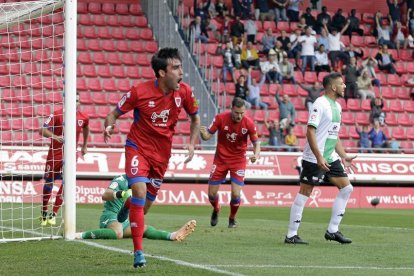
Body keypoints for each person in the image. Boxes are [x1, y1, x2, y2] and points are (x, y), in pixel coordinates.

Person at [104, 48, 200, 268]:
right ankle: (138, 253)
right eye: (175, 68)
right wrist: (109, 126)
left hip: (162, 156)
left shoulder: (184, 92)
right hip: (137, 148)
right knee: (139, 189)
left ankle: (128, 204)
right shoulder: (139, 92)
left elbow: (195, 119)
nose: (181, 72)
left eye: (181, 67)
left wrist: (192, 143)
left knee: (144, 207)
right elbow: (113, 114)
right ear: (161, 73)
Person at [285, 72, 356, 245]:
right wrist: (318, 157)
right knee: (305, 193)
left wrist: (344, 155)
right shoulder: (320, 103)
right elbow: (310, 130)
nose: (344, 86)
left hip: (330, 157)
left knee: (347, 189)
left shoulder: (337, 107)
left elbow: (334, 135)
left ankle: (332, 231)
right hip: (314, 157)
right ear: (333, 87)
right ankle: (291, 235)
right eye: (341, 83)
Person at [75, 174, 196, 241]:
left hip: (125, 220)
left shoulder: (142, 184)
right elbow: (105, 195)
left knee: (145, 229)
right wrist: (121, 193)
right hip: (111, 216)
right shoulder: (121, 180)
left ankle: (172, 235)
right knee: (117, 233)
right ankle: (81, 235)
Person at [200, 97, 260, 228]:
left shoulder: (248, 123)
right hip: (220, 159)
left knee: (235, 193)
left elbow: (256, 143)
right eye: (237, 113)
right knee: (211, 194)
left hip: (238, 160)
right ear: (231, 109)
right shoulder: (220, 118)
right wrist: (202, 134)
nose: (239, 116)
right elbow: (207, 136)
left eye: (242, 113)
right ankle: (216, 209)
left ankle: (232, 219)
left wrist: (256, 154)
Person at [40, 92, 89, 226]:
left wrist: (84, 146)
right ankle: (44, 210)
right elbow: (42, 130)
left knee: (67, 183)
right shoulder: (56, 114)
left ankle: (53, 213)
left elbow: (86, 128)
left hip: (71, 155)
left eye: (77, 100)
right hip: (54, 154)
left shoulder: (83, 117)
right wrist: (56, 137)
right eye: (73, 100)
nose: (75, 102)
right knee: (49, 183)